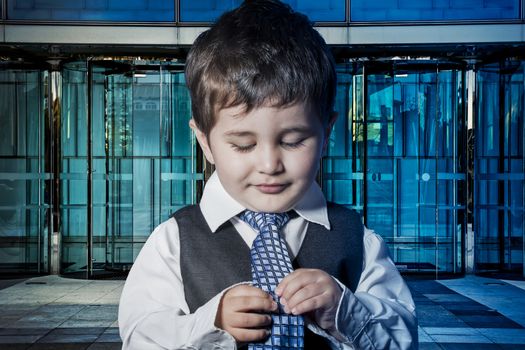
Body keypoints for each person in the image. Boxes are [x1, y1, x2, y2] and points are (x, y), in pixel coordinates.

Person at [118, 1, 418, 349]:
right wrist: (208, 324)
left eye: (292, 141)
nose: (269, 164)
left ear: (326, 134)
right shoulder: (173, 242)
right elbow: (141, 337)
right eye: (243, 145)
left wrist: (345, 310)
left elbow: (402, 339)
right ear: (206, 143)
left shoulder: (359, 239)